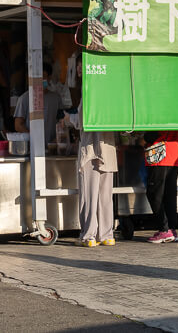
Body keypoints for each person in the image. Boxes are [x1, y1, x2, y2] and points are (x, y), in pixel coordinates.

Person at [66, 103, 118, 247]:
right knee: (106, 196)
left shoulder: (89, 94)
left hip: (90, 150)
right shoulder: (113, 96)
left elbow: (82, 121)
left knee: (89, 196)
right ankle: (107, 235)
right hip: (108, 149)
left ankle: (89, 236)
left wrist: (68, 117)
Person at [144, 131, 178, 243]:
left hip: (159, 153)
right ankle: (171, 230)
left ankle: (164, 229)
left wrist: (144, 136)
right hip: (175, 154)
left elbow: (154, 132)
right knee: (170, 195)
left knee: (154, 193)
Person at [13, 62, 61, 146]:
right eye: (36, 77)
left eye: (43, 77)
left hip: (51, 147)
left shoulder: (56, 98)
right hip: (32, 148)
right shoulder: (24, 98)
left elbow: (62, 121)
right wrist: (33, 138)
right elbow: (18, 125)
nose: (39, 80)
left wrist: (57, 138)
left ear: (49, 78)